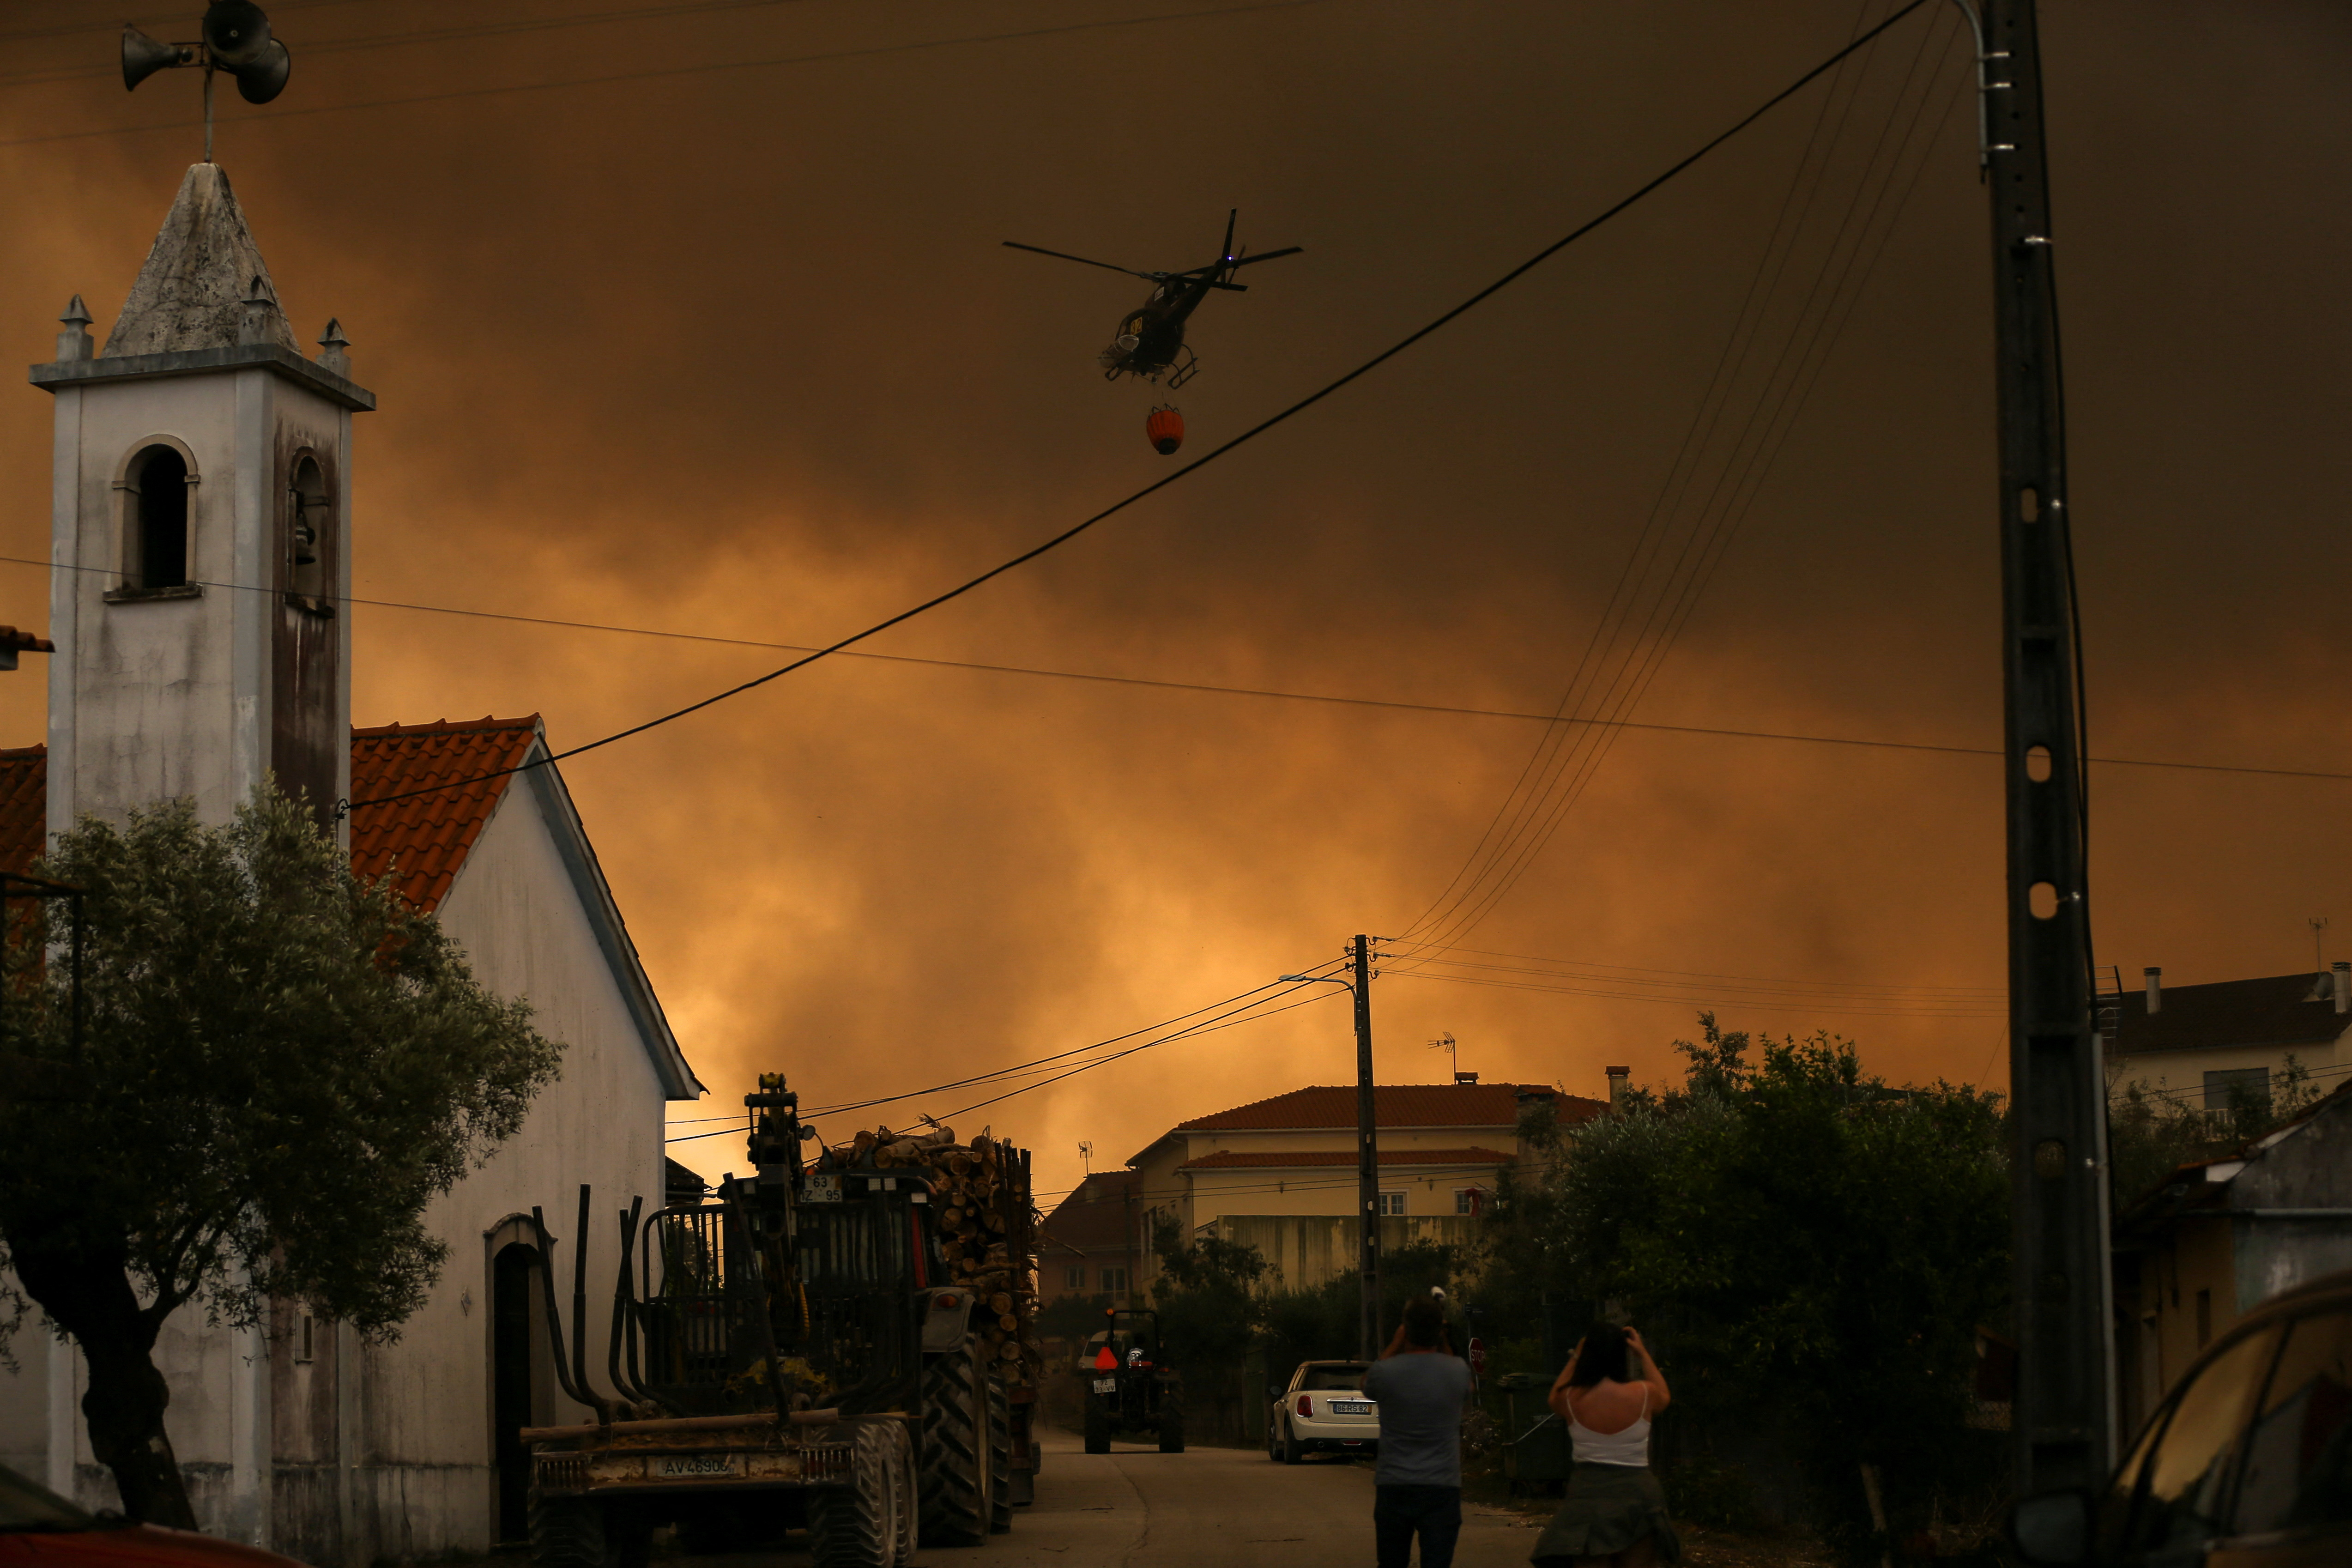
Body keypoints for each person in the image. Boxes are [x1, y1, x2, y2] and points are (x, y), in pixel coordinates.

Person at [1530, 1323, 1679, 1567]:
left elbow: (1553, 1396)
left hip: (1588, 1498)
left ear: (1588, 1353)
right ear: (1622, 1355)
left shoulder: (1570, 1398)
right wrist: (1642, 1353)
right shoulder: (1644, 1392)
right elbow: (1665, 1395)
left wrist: (1577, 1354)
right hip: (1639, 1498)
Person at [1362, 1292, 1475, 1568]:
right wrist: (1444, 1340)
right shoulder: (1458, 1370)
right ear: (1439, 1331)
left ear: (1405, 1328)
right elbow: (1466, 1388)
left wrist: (1395, 1343)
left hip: (1394, 1485)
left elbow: (1367, 1384)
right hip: (1442, 1487)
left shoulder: (1386, 1373)